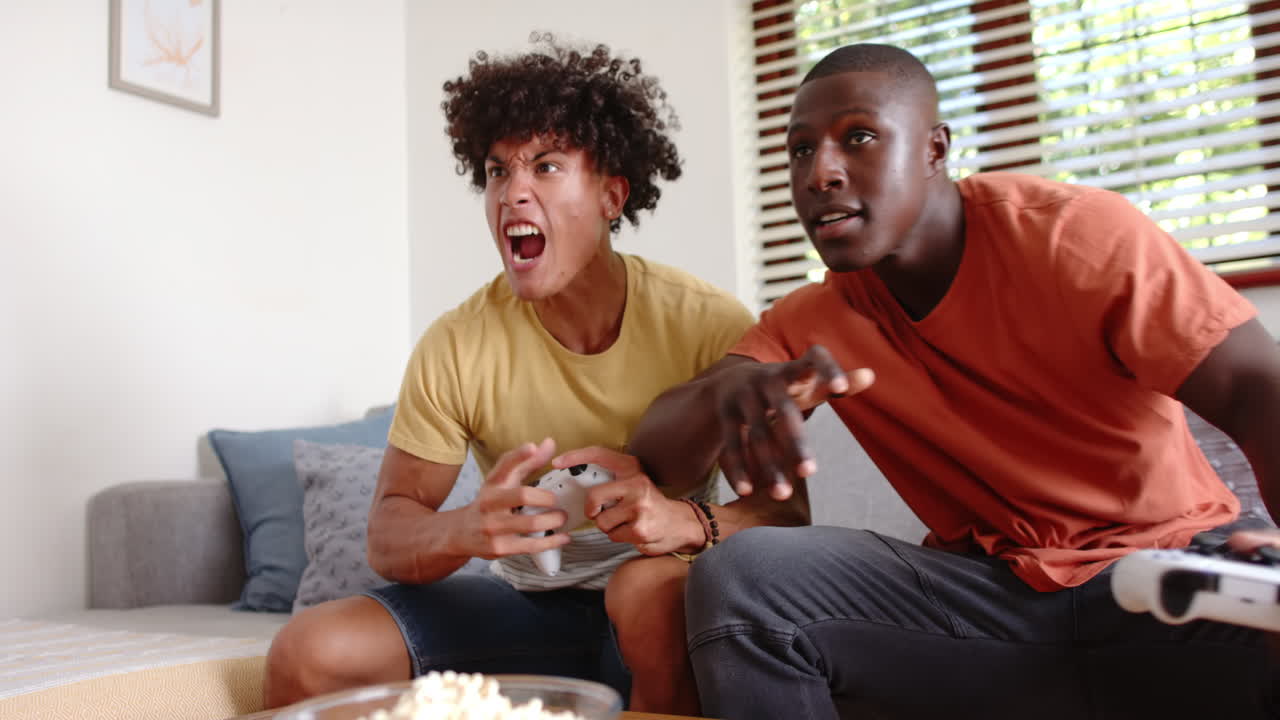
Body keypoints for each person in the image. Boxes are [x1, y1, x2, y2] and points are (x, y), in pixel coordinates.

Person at [625, 43, 1280, 719]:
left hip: (1160, 583)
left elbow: (1256, 385)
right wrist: (723, 394)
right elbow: (657, 455)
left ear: (935, 149)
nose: (820, 172)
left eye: (858, 138)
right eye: (800, 150)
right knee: (745, 575)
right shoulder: (813, 319)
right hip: (993, 605)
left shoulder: (1073, 235)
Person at [261, 35, 763, 709]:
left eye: (546, 166)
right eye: (498, 171)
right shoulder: (457, 344)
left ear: (612, 195)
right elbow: (388, 534)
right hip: (525, 607)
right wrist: (467, 528)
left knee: (647, 593)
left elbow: (783, 518)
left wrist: (682, 520)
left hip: (659, 599)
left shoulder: (708, 323)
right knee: (307, 655)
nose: (512, 193)